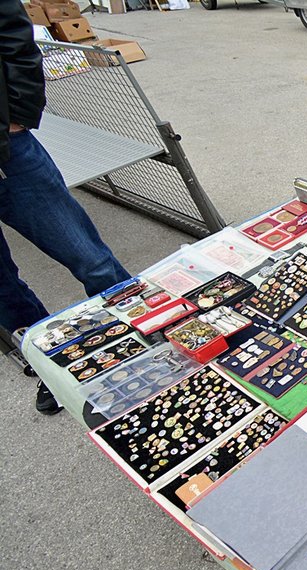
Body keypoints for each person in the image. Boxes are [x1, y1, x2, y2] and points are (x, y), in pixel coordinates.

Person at [1, 2, 131, 414]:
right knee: (2, 291)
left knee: (86, 256)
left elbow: (14, 38)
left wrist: (17, 114)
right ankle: (53, 369)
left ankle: (147, 334)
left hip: (7, 150)